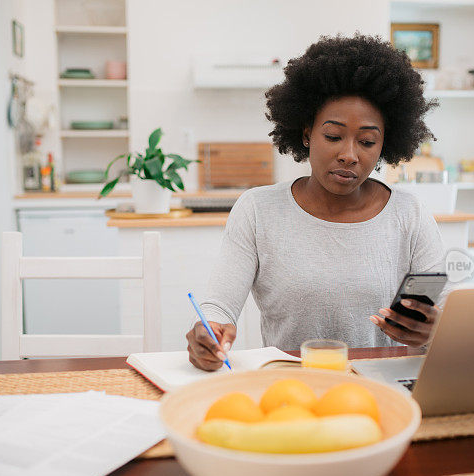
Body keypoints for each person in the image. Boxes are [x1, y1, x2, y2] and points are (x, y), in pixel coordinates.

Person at [187, 34, 445, 371]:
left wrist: (432, 330)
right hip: (292, 389)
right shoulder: (258, 210)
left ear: (385, 145)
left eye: (367, 141)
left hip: (381, 389)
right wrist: (209, 334)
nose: (349, 155)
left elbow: (447, 311)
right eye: (333, 136)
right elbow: (218, 307)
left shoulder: (408, 213)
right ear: (307, 133)